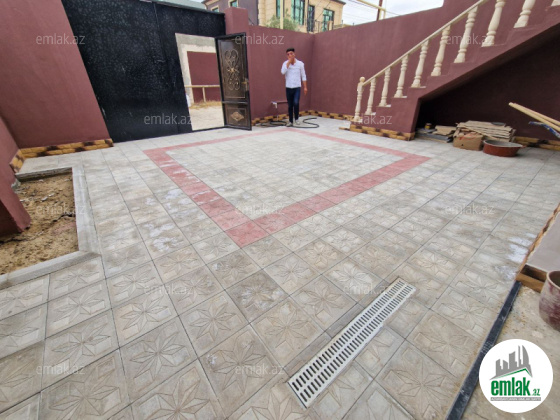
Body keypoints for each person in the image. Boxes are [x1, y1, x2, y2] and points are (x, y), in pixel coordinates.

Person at [281, 48, 307, 126]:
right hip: (288, 87)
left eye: (291, 53)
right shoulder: (285, 64)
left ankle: (297, 119)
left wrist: (305, 87)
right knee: (290, 105)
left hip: (297, 87)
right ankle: (290, 121)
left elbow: (303, 76)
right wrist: (288, 62)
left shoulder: (300, 64)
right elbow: (283, 72)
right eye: (288, 54)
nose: (290, 55)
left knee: (296, 103)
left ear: (294, 54)